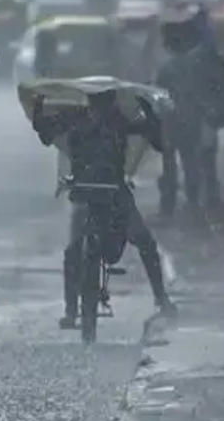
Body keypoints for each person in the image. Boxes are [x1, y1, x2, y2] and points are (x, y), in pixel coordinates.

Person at [31, 90, 177, 328]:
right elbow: (47, 134)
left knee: (140, 243)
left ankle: (73, 311)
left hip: (102, 192)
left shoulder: (90, 119)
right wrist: (39, 109)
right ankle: (159, 299)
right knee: (81, 250)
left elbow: (46, 133)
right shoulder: (103, 119)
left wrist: (149, 114)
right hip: (101, 193)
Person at [154, 5, 224, 218]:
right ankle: (193, 202)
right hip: (190, 121)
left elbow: (161, 98)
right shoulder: (194, 64)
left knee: (170, 167)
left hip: (170, 123)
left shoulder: (167, 69)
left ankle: (168, 206)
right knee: (190, 164)